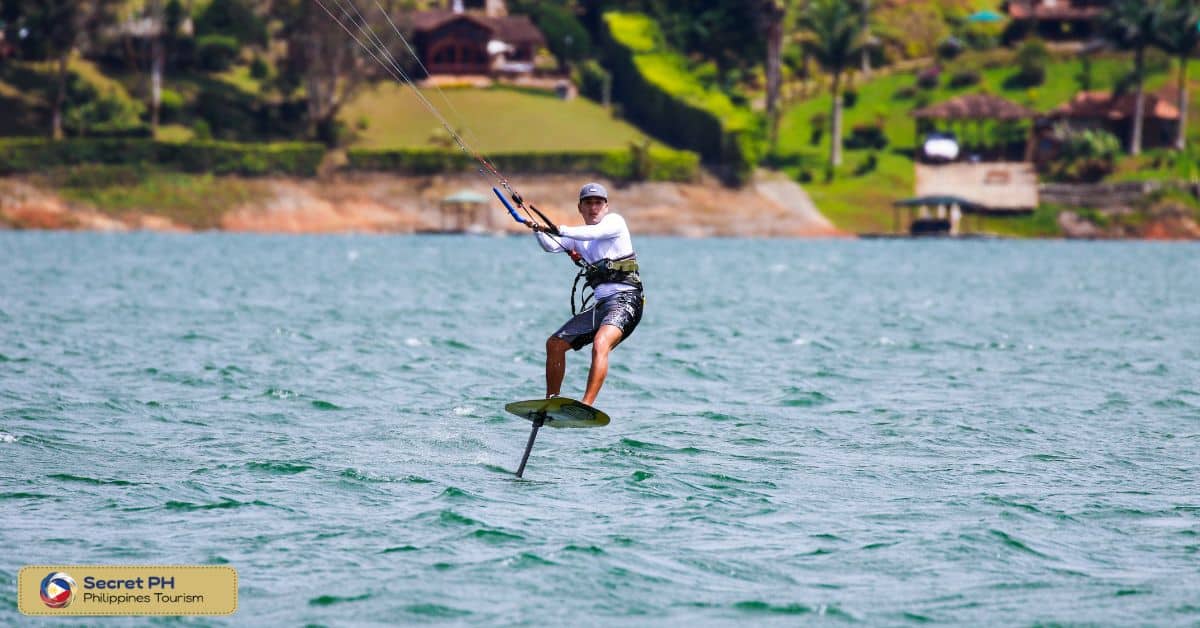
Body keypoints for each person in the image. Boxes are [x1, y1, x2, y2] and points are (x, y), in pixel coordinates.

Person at [529, 182, 643, 407]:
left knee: (601, 343)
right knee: (555, 344)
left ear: (606, 206)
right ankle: (551, 401)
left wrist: (558, 228)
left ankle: (587, 405)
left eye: (598, 203)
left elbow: (593, 232)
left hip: (627, 300)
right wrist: (536, 229)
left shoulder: (614, 222)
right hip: (601, 306)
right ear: (580, 207)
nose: (593, 208)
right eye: (588, 203)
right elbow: (551, 246)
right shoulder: (577, 238)